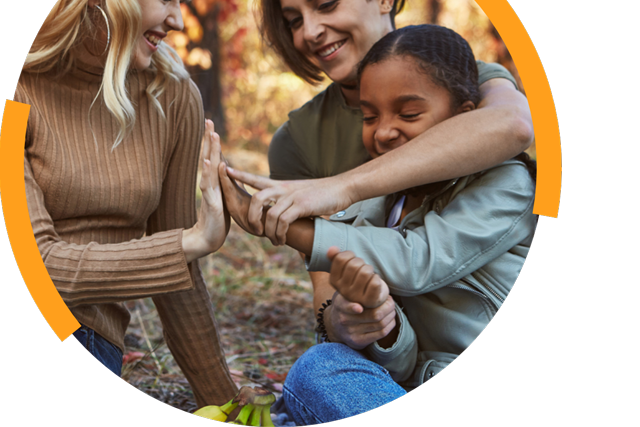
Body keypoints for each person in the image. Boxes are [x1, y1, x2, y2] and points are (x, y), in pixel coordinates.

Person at [226, 0, 534, 355]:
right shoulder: (297, 140)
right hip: (397, 351)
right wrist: (352, 320)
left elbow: (514, 126)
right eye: (295, 19)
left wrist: (338, 189)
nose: (309, 32)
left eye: (327, 4)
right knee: (323, 366)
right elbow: (328, 296)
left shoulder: (460, 74)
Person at [220, 24, 536, 423]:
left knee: (310, 379)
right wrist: (379, 323)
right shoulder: (379, 203)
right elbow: (405, 365)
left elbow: (418, 261)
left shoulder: (507, 184)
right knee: (324, 365)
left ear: (464, 118)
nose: (384, 132)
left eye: (408, 113)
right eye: (369, 116)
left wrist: (284, 228)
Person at [14, 0, 237, 407]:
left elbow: (178, 278)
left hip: (84, 333)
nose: (179, 20)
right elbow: (33, 263)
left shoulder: (172, 95)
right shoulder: (18, 91)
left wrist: (231, 407)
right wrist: (192, 241)